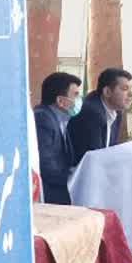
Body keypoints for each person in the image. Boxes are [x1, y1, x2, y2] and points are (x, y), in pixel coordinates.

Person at [67, 67, 132, 168]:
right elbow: (92, 158)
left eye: (130, 89)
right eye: (125, 89)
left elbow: (111, 150)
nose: (131, 94)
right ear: (107, 92)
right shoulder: (91, 112)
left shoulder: (116, 112)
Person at [33, 71, 82, 205]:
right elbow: (45, 164)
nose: (79, 100)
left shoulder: (61, 118)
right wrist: (73, 178)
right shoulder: (43, 118)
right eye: (75, 95)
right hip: (49, 195)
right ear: (60, 101)